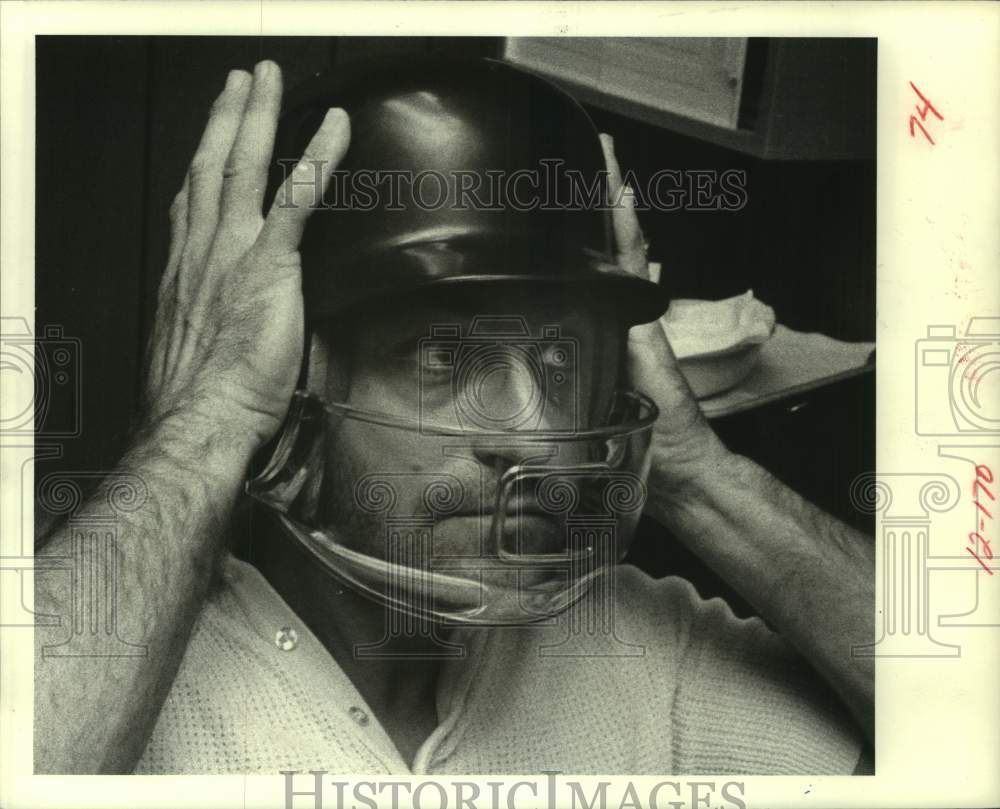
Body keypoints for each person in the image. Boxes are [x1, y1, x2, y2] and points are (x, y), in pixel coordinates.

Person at [34, 57, 874, 775]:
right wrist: (204, 430)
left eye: (555, 362)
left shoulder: (636, 646)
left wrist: (700, 477)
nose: (530, 436)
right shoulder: (137, 678)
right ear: (292, 381)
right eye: (442, 360)